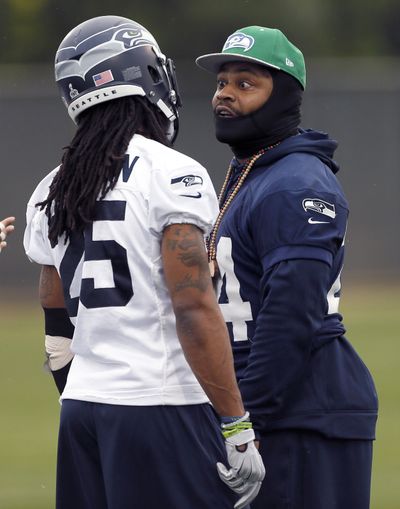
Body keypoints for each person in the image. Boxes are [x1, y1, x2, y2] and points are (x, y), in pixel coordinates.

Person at [23, 16, 264, 509]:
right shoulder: (172, 172)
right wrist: (238, 427)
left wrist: (80, 385)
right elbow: (194, 305)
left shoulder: (52, 184)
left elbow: (54, 311)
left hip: (83, 409)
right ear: (148, 77)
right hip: (160, 406)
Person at [196, 26, 378, 509]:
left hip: (304, 415)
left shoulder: (294, 183)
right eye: (222, 83)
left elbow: (291, 313)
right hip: (276, 407)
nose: (226, 95)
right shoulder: (254, 173)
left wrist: (245, 417)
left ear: (286, 96)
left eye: (246, 84)